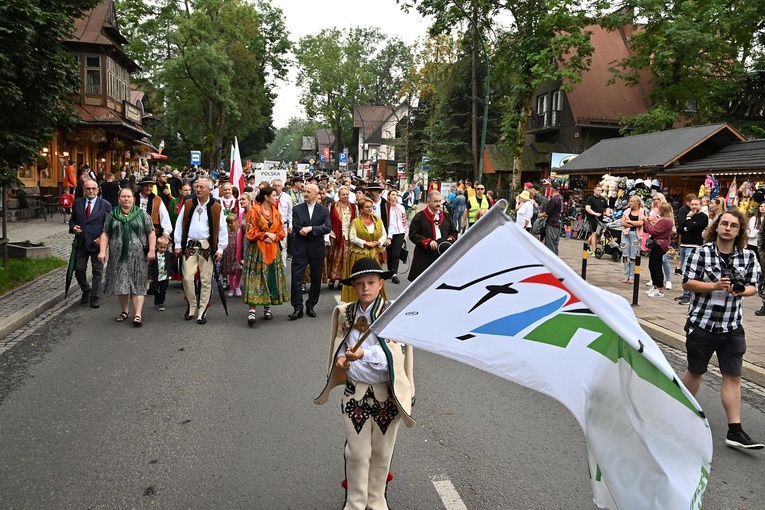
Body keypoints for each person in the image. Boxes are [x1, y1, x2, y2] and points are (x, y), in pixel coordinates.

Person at [315, 257, 415, 510]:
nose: (365, 288)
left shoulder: (392, 314)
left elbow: (395, 354)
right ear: (353, 287)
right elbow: (340, 341)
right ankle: (355, 503)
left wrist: (364, 354)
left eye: (371, 282)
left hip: (386, 395)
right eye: (359, 284)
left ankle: (377, 500)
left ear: (381, 284)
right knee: (357, 453)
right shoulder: (347, 313)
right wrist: (340, 359)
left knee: (382, 453)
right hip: (355, 393)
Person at [681, 209, 763, 450]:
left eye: (733, 225)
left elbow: (753, 286)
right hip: (703, 323)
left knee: (733, 376)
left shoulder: (747, 256)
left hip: (732, 326)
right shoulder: (701, 252)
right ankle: (677, 411)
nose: (728, 228)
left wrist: (741, 290)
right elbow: (687, 282)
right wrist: (714, 285)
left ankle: (735, 431)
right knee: (695, 371)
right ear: (716, 227)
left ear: (739, 231)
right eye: (724, 223)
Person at [173, 178, 228, 325]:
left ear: (209, 190)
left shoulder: (216, 207)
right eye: (197, 187)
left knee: (205, 280)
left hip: (206, 246)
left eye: (201, 187)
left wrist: (221, 248)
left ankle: (202, 310)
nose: (197, 189)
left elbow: (222, 229)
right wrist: (178, 243)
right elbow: (180, 224)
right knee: (187, 278)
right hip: (189, 245)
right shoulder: (189, 204)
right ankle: (192, 305)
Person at [99, 187, 156, 326]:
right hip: (118, 257)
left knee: (137, 283)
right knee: (121, 283)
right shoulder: (112, 215)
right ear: (119, 199)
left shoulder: (142, 215)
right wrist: (102, 251)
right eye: (123, 196)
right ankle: (125, 311)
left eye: (128, 197)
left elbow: (151, 233)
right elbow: (105, 233)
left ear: (133, 199)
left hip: (138, 257)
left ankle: (138, 314)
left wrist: (152, 250)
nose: (126, 199)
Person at [243, 186, 289, 325]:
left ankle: (267, 307)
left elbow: (282, 232)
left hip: (273, 249)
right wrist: (264, 234)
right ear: (266, 197)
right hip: (257, 250)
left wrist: (274, 235)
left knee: (270, 276)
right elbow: (250, 232)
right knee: (256, 277)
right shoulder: (254, 211)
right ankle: (252, 311)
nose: (275, 198)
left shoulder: (276, 213)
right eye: (273, 195)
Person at [289, 183, 332, 319]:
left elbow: (327, 228)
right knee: (296, 278)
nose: (305, 194)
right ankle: (297, 307)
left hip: (316, 249)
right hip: (300, 248)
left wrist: (311, 229)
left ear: (315, 194)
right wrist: (302, 229)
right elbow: (296, 226)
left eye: (308, 192)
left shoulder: (323, 210)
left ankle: (311, 305)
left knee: (315, 278)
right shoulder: (297, 209)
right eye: (304, 191)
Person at [69, 179, 113, 309]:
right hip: (82, 242)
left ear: (98, 190)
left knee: (97, 272)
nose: (91, 191)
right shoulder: (77, 203)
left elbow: (109, 225)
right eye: (88, 189)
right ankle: (86, 289)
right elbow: (72, 221)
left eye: (93, 189)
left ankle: (94, 296)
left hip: (97, 244)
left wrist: (102, 239)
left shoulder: (105, 205)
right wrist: (73, 228)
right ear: (84, 189)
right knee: (79, 270)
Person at [344, 197, 388, 302]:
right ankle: (356, 299)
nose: (369, 209)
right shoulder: (355, 222)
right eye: (366, 207)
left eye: (371, 207)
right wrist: (365, 243)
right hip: (359, 253)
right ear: (361, 209)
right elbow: (352, 237)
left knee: (374, 277)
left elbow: (384, 234)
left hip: (375, 253)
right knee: (361, 277)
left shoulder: (377, 220)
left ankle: (375, 298)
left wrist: (378, 242)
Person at [408, 191, 457, 282]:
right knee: (422, 282)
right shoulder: (419, 217)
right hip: (425, 254)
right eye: (435, 201)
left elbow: (454, 232)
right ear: (428, 202)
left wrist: (449, 240)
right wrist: (428, 242)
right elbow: (413, 234)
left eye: (439, 201)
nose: (438, 204)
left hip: (442, 254)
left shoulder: (446, 216)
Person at [675, 196, 708, 306]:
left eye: (696, 204)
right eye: (692, 204)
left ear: (700, 205)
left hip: (693, 246)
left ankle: (688, 295)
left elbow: (694, 228)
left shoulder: (703, 217)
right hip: (683, 245)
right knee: (684, 270)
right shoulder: (688, 215)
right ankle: (685, 293)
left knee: (688, 270)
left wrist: (688, 222)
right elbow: (680, 228)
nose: (693, 207)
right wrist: (687, 226)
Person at [327, 186, 357, 290]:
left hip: (348, 236)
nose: (345, 196)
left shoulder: (353, 207)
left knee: (345, 259)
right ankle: (332, 278)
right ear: (339, 195)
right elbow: (328, 220)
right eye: (343, 194)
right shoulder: (332, 206)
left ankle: (342, 280)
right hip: (335, 235)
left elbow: (355, 221)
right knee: (334, 257)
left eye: (347, 194)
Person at [643, 201, 674, 297]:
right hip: (657, 244)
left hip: (660, 245)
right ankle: (655, 286)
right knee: (652, 265)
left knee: (657, 266)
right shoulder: (663, 219)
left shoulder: (666, 221)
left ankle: (659, 289)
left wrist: (646, 222)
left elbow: (654, 231)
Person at [619, 196, 646, 283]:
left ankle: (632, 276)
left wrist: (629, 222)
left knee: (634, 255)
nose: (630, 203)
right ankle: (626, 275)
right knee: (625, 254)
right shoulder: (626, 211)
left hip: (636, 235)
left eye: (632, 201)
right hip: (626, 234)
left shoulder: (642, 211)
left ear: (637, 202)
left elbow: (641, 223)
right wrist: (634, 224)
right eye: (629, 201)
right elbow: (622, 223)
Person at [136, 176, 172, 240]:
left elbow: (164, 216)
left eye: (150, 186)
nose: (148, 188)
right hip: (135, 233)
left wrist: (166, 232)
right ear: (141, 187)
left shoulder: (157, 200)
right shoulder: (133, 198)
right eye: (146, 186)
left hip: (152, 233)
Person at [385, 189, 407, 284]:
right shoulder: (386, 207)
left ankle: (394, 274)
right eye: (393, 194)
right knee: (389, 253)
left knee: (396, 254)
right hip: (388, 233)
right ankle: (390, 271)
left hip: (399, 232)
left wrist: (405, 233)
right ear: (389, 196)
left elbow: (404, 220)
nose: (395, 196)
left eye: (396, 195)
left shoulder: (401, 207)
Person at [148, 236, 174, 311]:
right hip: (156, 276)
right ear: (157, 246)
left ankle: (160, 303)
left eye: (164, 248)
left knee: (163, 291)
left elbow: (174, 255)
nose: (162, 249)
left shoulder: (167, 254)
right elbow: (151, 266)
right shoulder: (154, 255)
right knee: (154, 289)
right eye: (161, 247)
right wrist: (150, 277)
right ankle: (157, 297)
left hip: (165, 276)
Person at [540, 181, 563, 255]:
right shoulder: (560, 198)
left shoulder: (553, 200)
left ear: (552, 189)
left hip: (552, 224)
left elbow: (547, 213)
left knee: (550, 245)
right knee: (555, 245)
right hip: (558, 223)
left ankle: (550, 262)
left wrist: (540, 215)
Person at [585, 185, 610, 254]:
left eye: (600, 190)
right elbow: (587, 208)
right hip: (592, 218)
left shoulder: (603, 199)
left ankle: (587, 246)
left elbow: (607, 207)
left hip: (600, 219)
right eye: (598, 190)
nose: (599, 192)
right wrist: (594, 213)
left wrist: (607, 213)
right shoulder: (590, 198)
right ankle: (594, 250)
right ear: (594, 190)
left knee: (596, 234)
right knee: (594, 233)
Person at [222, 214, 242, 298]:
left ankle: (237, 286)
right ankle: (232, 288)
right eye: (228, 223)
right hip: (229, 254)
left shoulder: (239, 232)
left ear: (236, 221)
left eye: (231, 223)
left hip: (237, 254)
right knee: (231, 271)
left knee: (238, 270)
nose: (230, 225)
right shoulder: (227, 232)